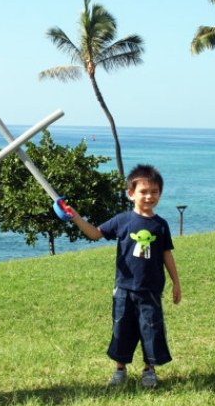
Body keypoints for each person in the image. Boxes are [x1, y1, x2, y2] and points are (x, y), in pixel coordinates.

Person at [68, 164, 181, 387]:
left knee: (150, 329)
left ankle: (149, 370)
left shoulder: (160, 225)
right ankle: (120, 370)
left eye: (154, 192)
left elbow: (167, 255)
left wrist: (176, 282)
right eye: (143, 191)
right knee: (122, 327)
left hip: (150, 289)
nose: (149, 196)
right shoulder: (122, 220)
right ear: (131, 194)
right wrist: (76, 218)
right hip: (125, 289)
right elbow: (95, 234)